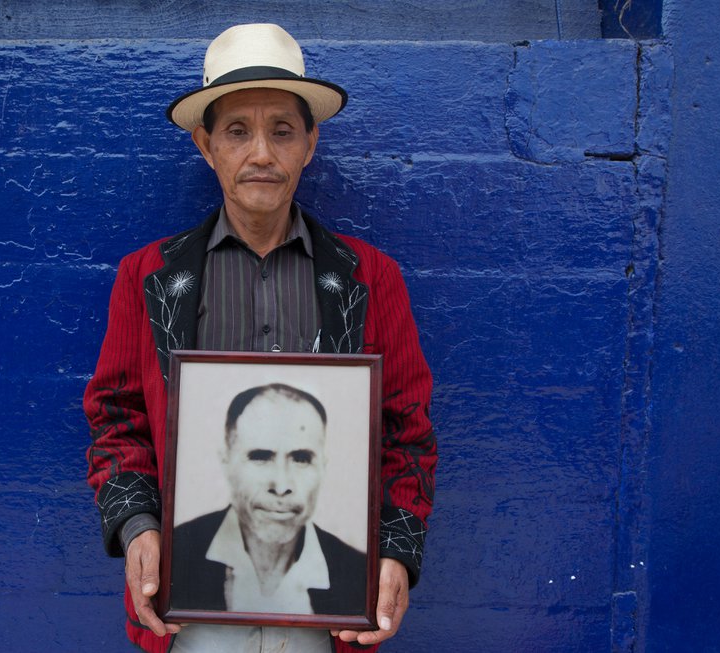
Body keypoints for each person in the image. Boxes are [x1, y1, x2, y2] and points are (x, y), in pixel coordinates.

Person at [84, 23, 437, 653]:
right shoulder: (148, 278)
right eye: (237, 131)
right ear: (206, 145)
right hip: (190, 607)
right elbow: (116, 419)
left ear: (309, 143)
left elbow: (406, 428)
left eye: (282, 131)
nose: (262, 155)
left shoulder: (370, 278)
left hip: (328, 612)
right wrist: (138, 527)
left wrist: (395, 554)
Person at [169, 383, 366, 617]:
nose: (281, 486)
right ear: (226, 462)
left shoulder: (359, 572)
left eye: (301, 459)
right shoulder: (174, 554)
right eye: (260, 457)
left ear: (323, 468)